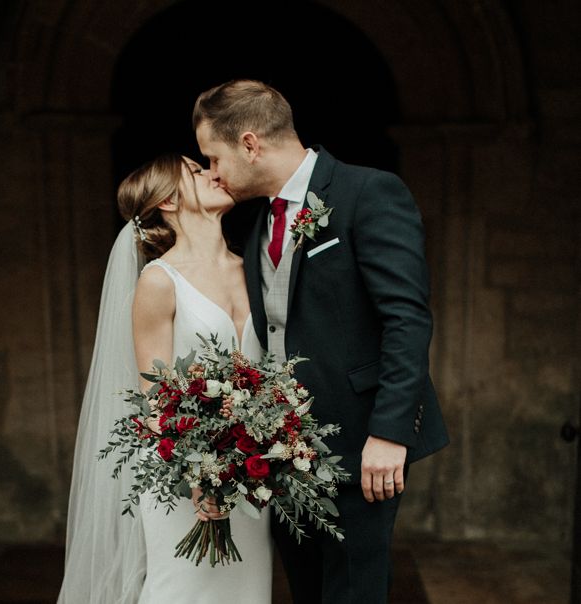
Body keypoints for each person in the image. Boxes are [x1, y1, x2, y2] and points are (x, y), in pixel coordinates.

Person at [193, 79, 450, 604]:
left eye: (213, 157)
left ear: (249, 143)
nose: (212, 173)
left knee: (354, 592)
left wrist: (390, 433)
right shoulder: (261, 219)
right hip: (283, 454)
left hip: (362, 444)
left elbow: (406, 318)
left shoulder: (368, 192)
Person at [57, 153, 273, 603]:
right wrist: (199, 473)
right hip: (182, 474)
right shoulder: (160, 281)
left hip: (249, 471)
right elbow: (155, 398)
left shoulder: (255, 269)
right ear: (170, 202)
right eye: (197, 171)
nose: (215, 172)